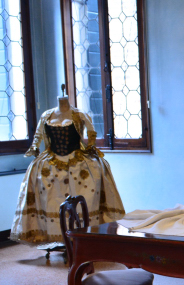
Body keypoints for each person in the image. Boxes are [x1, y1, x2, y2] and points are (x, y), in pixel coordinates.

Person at [10, 95, 125, 244]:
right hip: (51, 161)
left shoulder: (79, 114)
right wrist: (34, 147)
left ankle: (84, 235)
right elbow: (38, 134)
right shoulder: (47, 115)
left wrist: (90, 146)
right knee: (50, 199)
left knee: (85, 196)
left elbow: (91, 132)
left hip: (78, 160)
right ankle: (58, 236)